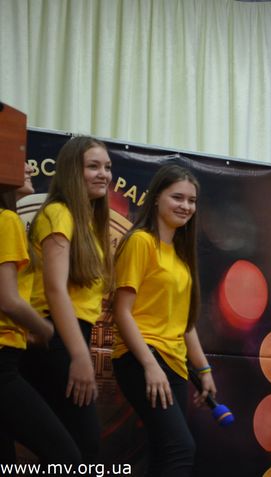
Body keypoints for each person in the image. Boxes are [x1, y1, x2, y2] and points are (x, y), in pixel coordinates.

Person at [111, 164, 216, 477]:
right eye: (177, 197)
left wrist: (204, 370)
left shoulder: (181, 256)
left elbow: (185, 323)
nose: (186, 206)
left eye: (192, 200)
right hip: (141, 358)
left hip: (174, 364)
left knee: (164, 451)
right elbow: (122, 311)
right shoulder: (141, 242)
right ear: (156, 198)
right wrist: (149, 364)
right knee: (180, 449)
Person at [22, 136, 113, 462]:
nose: (104, 174)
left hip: (68, 336)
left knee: (72, 450)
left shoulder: (87, 222)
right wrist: (79, 355)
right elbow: (55, 289)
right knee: (84, 448)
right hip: (54, 337)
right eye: (93, 166)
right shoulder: (59, 212)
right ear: (73, 171)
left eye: (107, 167)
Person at [0, 163, 82, 464]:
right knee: (68, 459)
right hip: (3, 363)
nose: (28, 167)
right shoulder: (7, 219)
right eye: (16, 158)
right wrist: (45, 328)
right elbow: (8, 300)